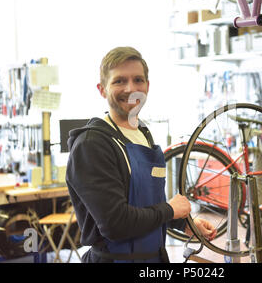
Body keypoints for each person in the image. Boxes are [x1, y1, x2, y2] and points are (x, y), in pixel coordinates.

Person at [65, 46, 217, 263]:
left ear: (147, 86)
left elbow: (147, 203)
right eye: (119, 81)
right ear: (102, 90)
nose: (131, 88)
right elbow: (115, 223)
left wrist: (183, 224)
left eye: (138, 80)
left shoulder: (143, 134)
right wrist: (170, 210)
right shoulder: (92, 145)